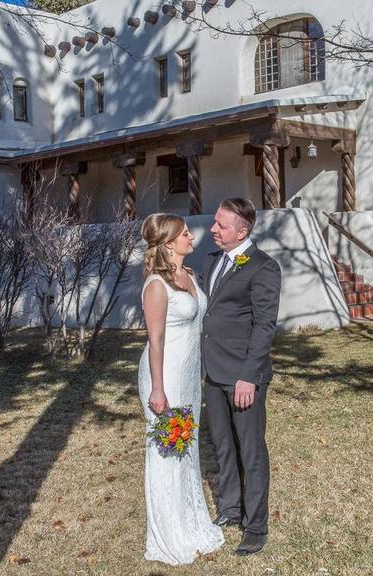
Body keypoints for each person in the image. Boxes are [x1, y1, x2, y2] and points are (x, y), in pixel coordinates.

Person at [138, 213, 224, 565]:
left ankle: (190, 521)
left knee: (187, 447)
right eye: (186, 233)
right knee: (167, 449)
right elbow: (155, 340)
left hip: (189, 375)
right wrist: (158, 389)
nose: (193, 236)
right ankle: (169, 533)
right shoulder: (157, 285)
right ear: (170, 243)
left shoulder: (188, 275)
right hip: (165, 375)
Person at [200, 198, 281, 557]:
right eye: (215, 223)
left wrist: (249, 377)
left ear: (242, 231)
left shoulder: (263, 267)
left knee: (251, 451)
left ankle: (256, 525)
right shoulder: (212, 261)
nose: (213, 229)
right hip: (213, 373)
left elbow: (264, 326)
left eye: (220, 225)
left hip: (242, 377)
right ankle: (230, 508)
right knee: (222, 446)